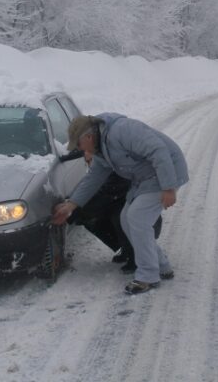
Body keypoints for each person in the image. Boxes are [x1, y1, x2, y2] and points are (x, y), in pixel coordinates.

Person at [52, 114, 189, 295]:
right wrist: (71, 205)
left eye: (78, 144)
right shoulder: (101, 149)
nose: (79, 149)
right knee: (126, 219)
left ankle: (148, 275)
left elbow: (158, 150)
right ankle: (162, 266)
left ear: (88, 137)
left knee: (137, 217)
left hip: (165, 172)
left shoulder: (122, 131)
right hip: (145, 178)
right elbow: (94, 177)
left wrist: (169, 187)